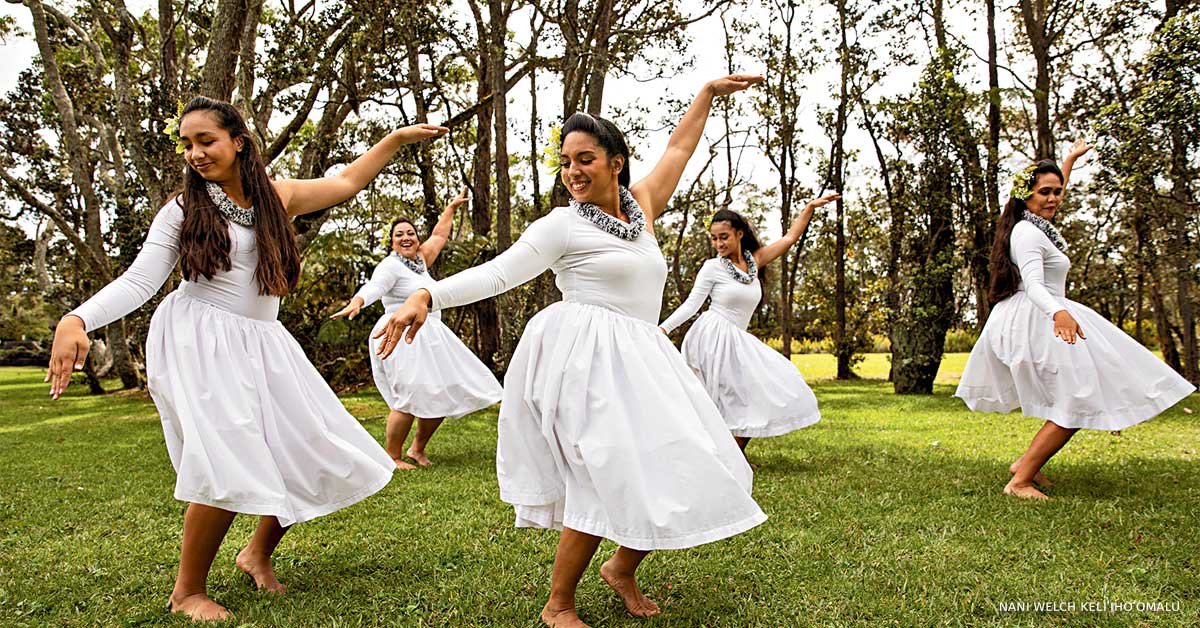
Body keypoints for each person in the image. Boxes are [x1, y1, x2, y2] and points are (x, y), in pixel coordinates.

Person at [376, 76, 769, 628]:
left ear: (617, 162)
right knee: (597, 469)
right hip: (584, 358)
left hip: (644, 353)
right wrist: (427, 293)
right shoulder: (561, 224)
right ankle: (558, 604)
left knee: (679, 458)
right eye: (566, 161)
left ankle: (622, 567)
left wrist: (705, 95)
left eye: (586, 158)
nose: (574, 171)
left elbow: (679, 148)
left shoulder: (644, 209)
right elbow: (500, 272)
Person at [45, 96, 448, 621]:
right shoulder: (184, 210)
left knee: (303, 447)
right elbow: (141, 280)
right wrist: (78, 319)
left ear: (238, 141)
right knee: (228, 454)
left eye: (205, 140)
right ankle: (187, 590)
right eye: (186, 144)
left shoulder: (278, 197)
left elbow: (347, 182)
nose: (194, 153)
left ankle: (256, 552)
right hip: (202, 338)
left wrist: (395, 140)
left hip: (263, 338)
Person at [955, 140, 1196, 500]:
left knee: (1079, 395)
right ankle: (1019, 482)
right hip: (1039, 317)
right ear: (1026, 197)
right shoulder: (1027, 233)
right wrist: (1060, 312)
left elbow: (1053, 190)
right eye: (1045, 193)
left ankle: (1024, 466)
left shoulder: (1036, 223)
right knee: (1077, 399)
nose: (1053, 198)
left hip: (1044, 313)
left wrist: (1068, 161)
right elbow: (1035, 285)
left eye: (1057, 191)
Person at [330, 189, 502, 469]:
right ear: (392, 242)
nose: (406, 237)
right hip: (401, 335)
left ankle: (417, 449)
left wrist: (451, 209)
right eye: (399, 234)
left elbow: (440, 236)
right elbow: (375, 286)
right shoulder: (390, 267)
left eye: (410, 232)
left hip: (431, 335)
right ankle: (392, 456)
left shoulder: (420, 261)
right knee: (408, 396)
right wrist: (358, 302)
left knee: (440, 393)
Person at [658, 197, 837, 454]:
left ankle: (731, 454)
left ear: (739, 234)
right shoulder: (712, 268)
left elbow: (789, 239)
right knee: (714, 400)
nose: (719, 243)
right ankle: (713, 455)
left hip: (737, 338)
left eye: (724, 237)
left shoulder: (755, 261)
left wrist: (809, 208)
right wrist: (663, 329)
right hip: (712, 337)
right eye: (714, 238)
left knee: (756, 394)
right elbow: (692, 304)